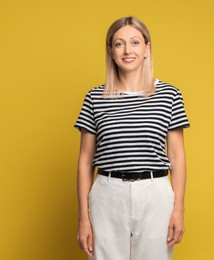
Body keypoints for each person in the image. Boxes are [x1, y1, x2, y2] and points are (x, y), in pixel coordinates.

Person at [74, 16, 190, 260]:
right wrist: (84, 218)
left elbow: (177, 156)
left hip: (155, 193)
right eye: (119, 44)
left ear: (147, 49)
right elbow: (85, 161)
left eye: (135, 42)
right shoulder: (95, 98)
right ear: (110, 51)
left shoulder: (169, 95)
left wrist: (178, 209)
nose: (128, 50)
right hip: (107, 194)